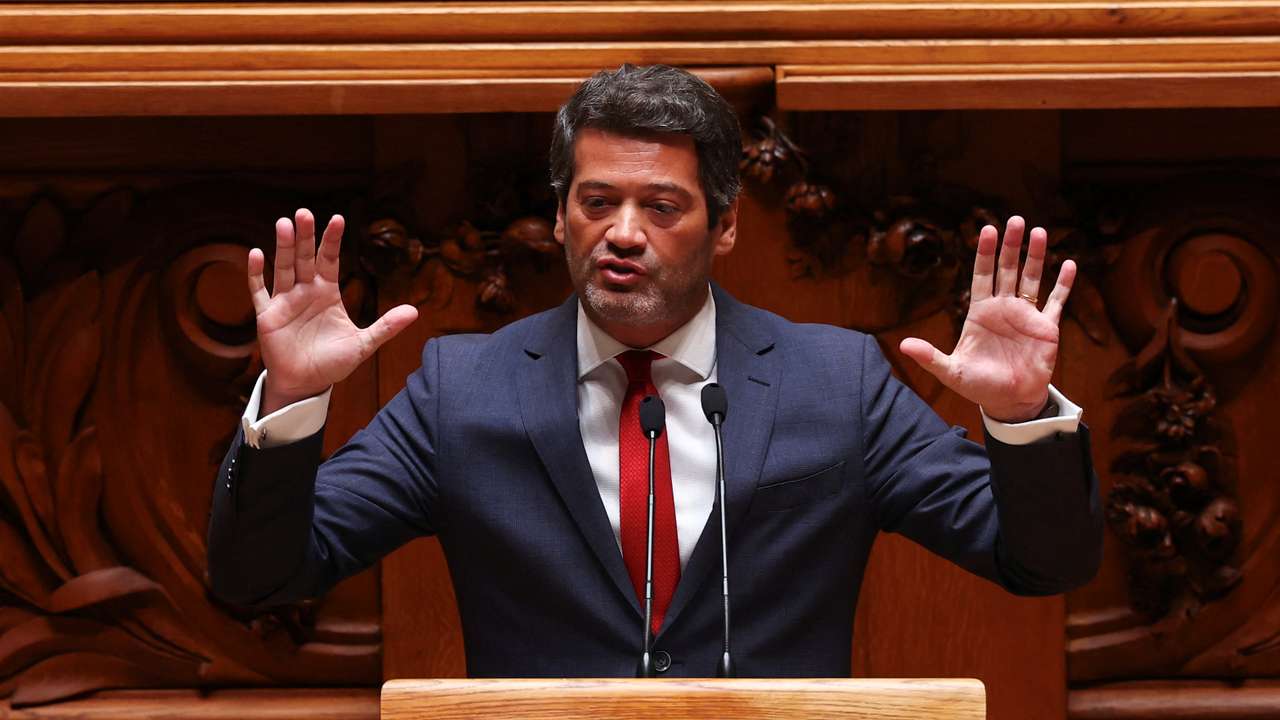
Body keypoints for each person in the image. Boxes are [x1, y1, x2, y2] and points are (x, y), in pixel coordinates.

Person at [207, 64, 1101, 678]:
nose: (623, 231)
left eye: (661, 205)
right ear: (560, 219)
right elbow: (262, 579)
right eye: (597, 202)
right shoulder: (460, 392)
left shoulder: (837, 384)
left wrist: (1022, 418)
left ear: (724, 226)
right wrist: (291, 399)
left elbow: (1042, 561)